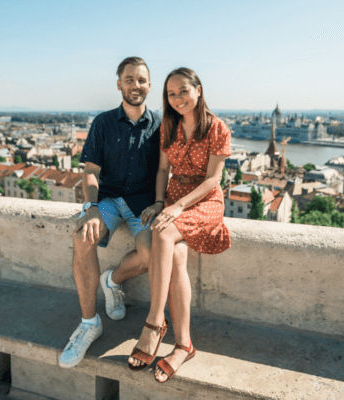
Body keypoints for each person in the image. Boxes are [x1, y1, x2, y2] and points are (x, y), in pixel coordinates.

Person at [59, 57, 186, 369]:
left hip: (143, 204)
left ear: (149, 86)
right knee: (82, 239)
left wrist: (160, 203)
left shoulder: (161, 125)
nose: (135, 85)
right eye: (129, 79)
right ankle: (89, 323)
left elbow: (165, 170)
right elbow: (91, 171)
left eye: (141, 80)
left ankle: (112, 281)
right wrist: (89, 209)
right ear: (119, 84)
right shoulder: (103, 123)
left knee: (152, 254)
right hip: (108, 200)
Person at [127, 68, 232, 382]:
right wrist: (161, 201)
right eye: (171, 94)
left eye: (183, 91)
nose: (177, 99)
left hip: (204, 200)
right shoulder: (168, 127)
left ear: (198, 90)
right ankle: (184, 345)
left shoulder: (217, 127)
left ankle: (155, 322)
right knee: (175, 256)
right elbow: (162, 170)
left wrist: (176, 206)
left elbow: (214, 179)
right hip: (173, 198)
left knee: (162, 231)